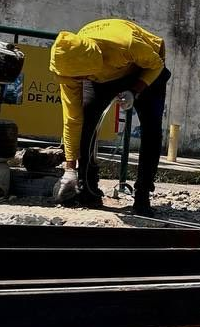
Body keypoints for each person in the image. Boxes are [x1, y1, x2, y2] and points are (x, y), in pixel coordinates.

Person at [49, 18, 170, 216]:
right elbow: (72, 119)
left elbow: (156, 65)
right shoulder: (70, 64)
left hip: (144, 68)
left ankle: (142, 195)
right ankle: (86, 187)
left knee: (152, 128)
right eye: (76, 79)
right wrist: (69, 167)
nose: (77, 82)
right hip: (99, 72)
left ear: (90, 67)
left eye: (80, 78)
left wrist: (135, 90)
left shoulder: (127, 43)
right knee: (87, 119)